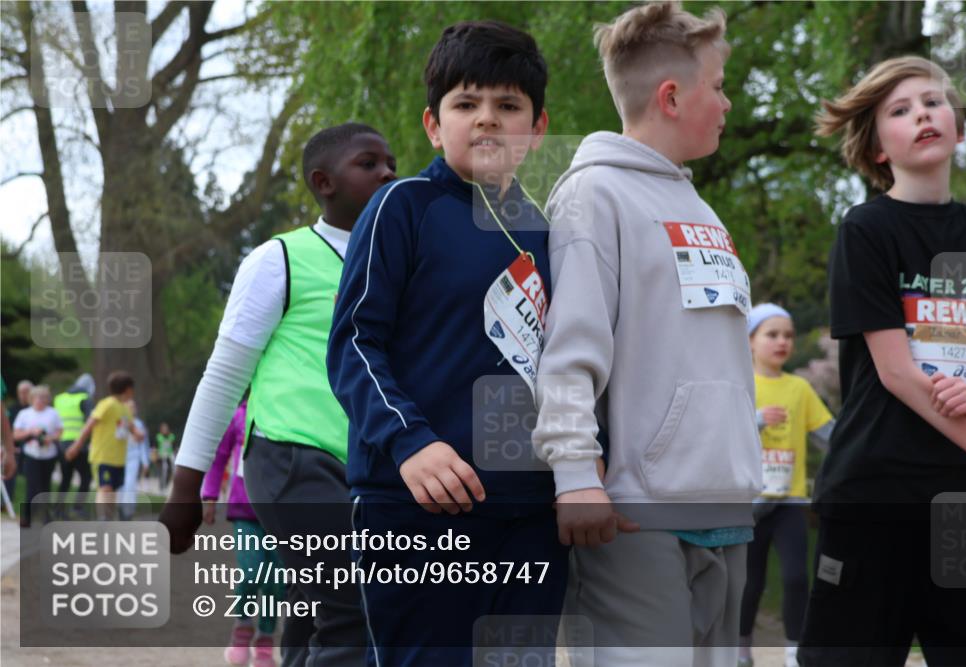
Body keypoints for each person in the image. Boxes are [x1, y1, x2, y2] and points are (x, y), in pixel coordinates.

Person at [328, 20, 565, 667]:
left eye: (508, 105)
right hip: (415, 507)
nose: (487, 120)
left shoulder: (549, 233)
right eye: (467, 103)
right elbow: (354, 342)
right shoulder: (401, 206)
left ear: (538, 127)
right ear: (434, 124)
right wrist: (411, 442)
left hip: (529, 516)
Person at [530, 3, 759, 665]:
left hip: (725, 507)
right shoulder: (594, 195)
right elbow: (569, 350)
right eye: (717, 85)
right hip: (635, 515)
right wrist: (575, 475)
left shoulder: (699, 205)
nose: (726, 100)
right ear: (670, 95)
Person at [161, 122, 396, 667]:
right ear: (324, 182)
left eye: (390, 162)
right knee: (356, 610)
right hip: (291, 460)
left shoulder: (397, 264)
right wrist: (185, 489)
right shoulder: (280, 260)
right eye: (368, 163)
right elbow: (223, 376)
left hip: (370, 470)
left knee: (315, 612)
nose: (387, 172)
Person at [799, 55, 966, 666]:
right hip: (875, 491)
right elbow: (896, 374)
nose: (922, 115)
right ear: (877, 146)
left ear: (960, 128)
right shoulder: (866, 229)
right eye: (900, 110)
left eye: (934, 103)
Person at [738, 303, 835, 667]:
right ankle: (741, 648)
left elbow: (830, 436)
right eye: (772, 334)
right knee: (749, 582)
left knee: (796, 578)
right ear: (750, 341)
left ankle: (796, 652)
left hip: (791, 501)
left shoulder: (799, 388)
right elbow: (721, 433)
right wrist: (758, 420)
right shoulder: (740, 385)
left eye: (788, 336)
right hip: (749, 502)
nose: (782, 342)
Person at [202, 401, 282, 667]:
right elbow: (219, 457)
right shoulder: (238, 416)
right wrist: (210, 496)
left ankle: (265, 637)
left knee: (277, 579)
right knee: (252, 569)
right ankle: (243, 626)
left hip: (282, 510)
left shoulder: (289, 411)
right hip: (244, 509)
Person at [65, 371, 140, 520]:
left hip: (118, 458)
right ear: (128, 389)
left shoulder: (124, 408)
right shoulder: (106, 404)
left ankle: (109, 519)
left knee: (112, 491)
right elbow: (89, 425)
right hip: (103, 456)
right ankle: (102, 519)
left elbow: (132, 428)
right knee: (105, 488)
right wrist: (76, 446)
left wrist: (139, 434)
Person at [13, 385, 63, 527]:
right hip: (31, 454)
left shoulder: (53, 413)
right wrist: (30, 432)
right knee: (32, 486)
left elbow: (59, 432)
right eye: (38, 397)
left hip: (48, 455)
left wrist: (50, 438)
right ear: (32, 399)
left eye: (44, 398)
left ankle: (45, 516)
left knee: (45, 485)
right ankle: (27, 517)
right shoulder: (25, 414)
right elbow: (16, 434)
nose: (41, 400)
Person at [53, 373, 96, 517]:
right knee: (86, 477)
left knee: (65, 478)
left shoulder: (59, 398)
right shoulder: (85, 399)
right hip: (79, 445)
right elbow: (90, 424)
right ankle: (78, 507)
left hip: (62, 444)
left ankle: (58, 510)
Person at [119, 399, 150, 521]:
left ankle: (129, 512)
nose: (132, 409)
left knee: (130, 484)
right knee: (121, 485)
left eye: (133, 407)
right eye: (129, 407)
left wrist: (145, 461)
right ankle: (121, 508)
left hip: (134, 457)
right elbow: (119, 438)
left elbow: (143, 444)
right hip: (121, 458)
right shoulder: (121, 422)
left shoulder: (138, 423)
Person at [4, 379, 33, 503]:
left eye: (27, 392)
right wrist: (9, 447)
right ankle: (5, 502)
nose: (24, 395)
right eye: (21, 392)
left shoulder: (36, 409)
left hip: (32, 449)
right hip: (15, 448)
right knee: (9, 475)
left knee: (32, 478)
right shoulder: (12, 409)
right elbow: (7, 429)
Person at [156, 422, 175, 490]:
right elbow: (157, 446)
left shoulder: (171, 436)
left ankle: (167, 484)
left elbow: (173, 445)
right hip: (162, 456)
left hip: (169, 455)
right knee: (163, 470)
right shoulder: (159, 436)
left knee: (171, 469)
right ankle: (162, 486)